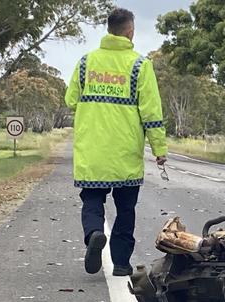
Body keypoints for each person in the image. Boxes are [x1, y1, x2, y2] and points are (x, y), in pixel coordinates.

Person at [65, 8, 167, 277]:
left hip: (92, 152)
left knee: (92, 201)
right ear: (130, 32)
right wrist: (160, 149)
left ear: (108, 30)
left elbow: (70, 99)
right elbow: (151, 113)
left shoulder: (86, 63)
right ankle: (121, 263)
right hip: (125, 153)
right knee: (125, 209)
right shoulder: (139, 65)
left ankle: (95, 234)